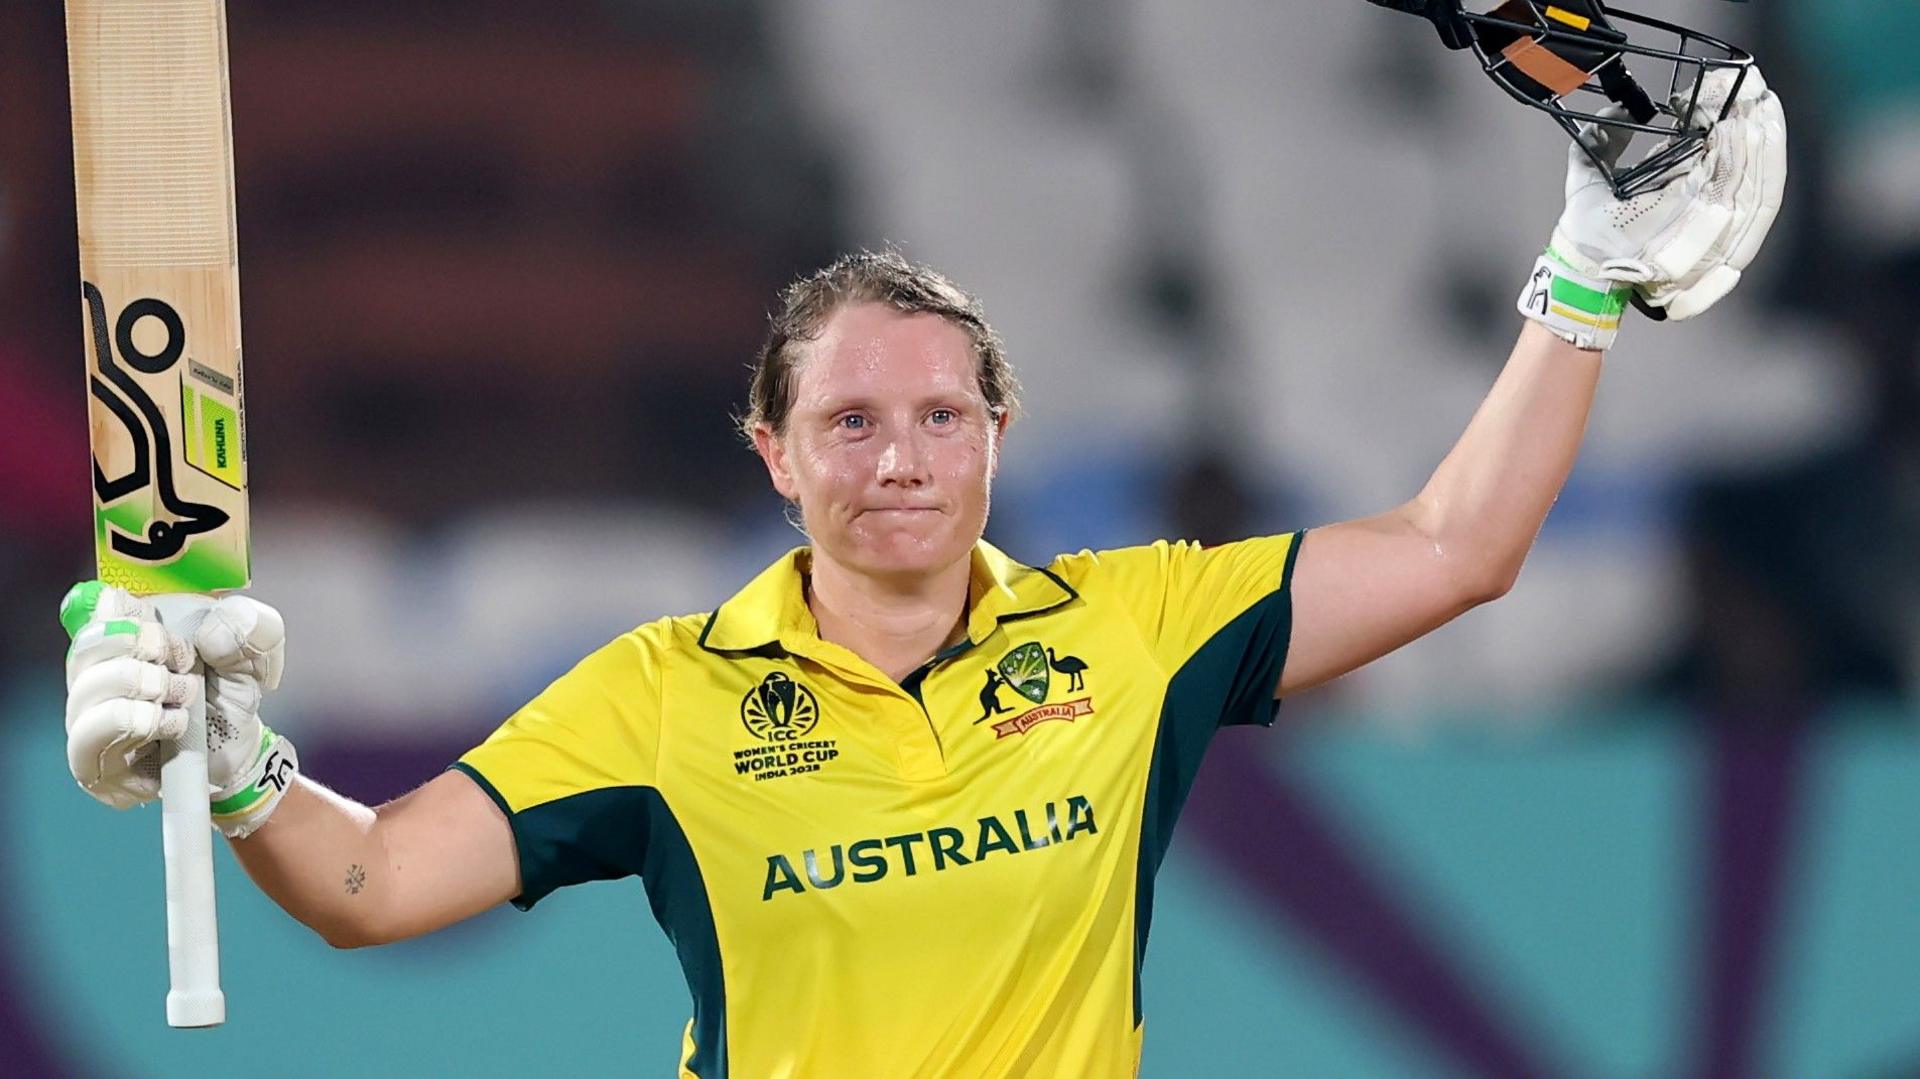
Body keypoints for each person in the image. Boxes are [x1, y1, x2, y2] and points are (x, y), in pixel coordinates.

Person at [58, 65, 1784, 1077]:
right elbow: (367, 893)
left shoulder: (1138, 630)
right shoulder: (660, 695)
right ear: (773, 451)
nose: (901, 458)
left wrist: (1583, 276)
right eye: (853, 420)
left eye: (943, 416)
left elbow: (1457, 548)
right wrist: (237, 768)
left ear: (999, 435)